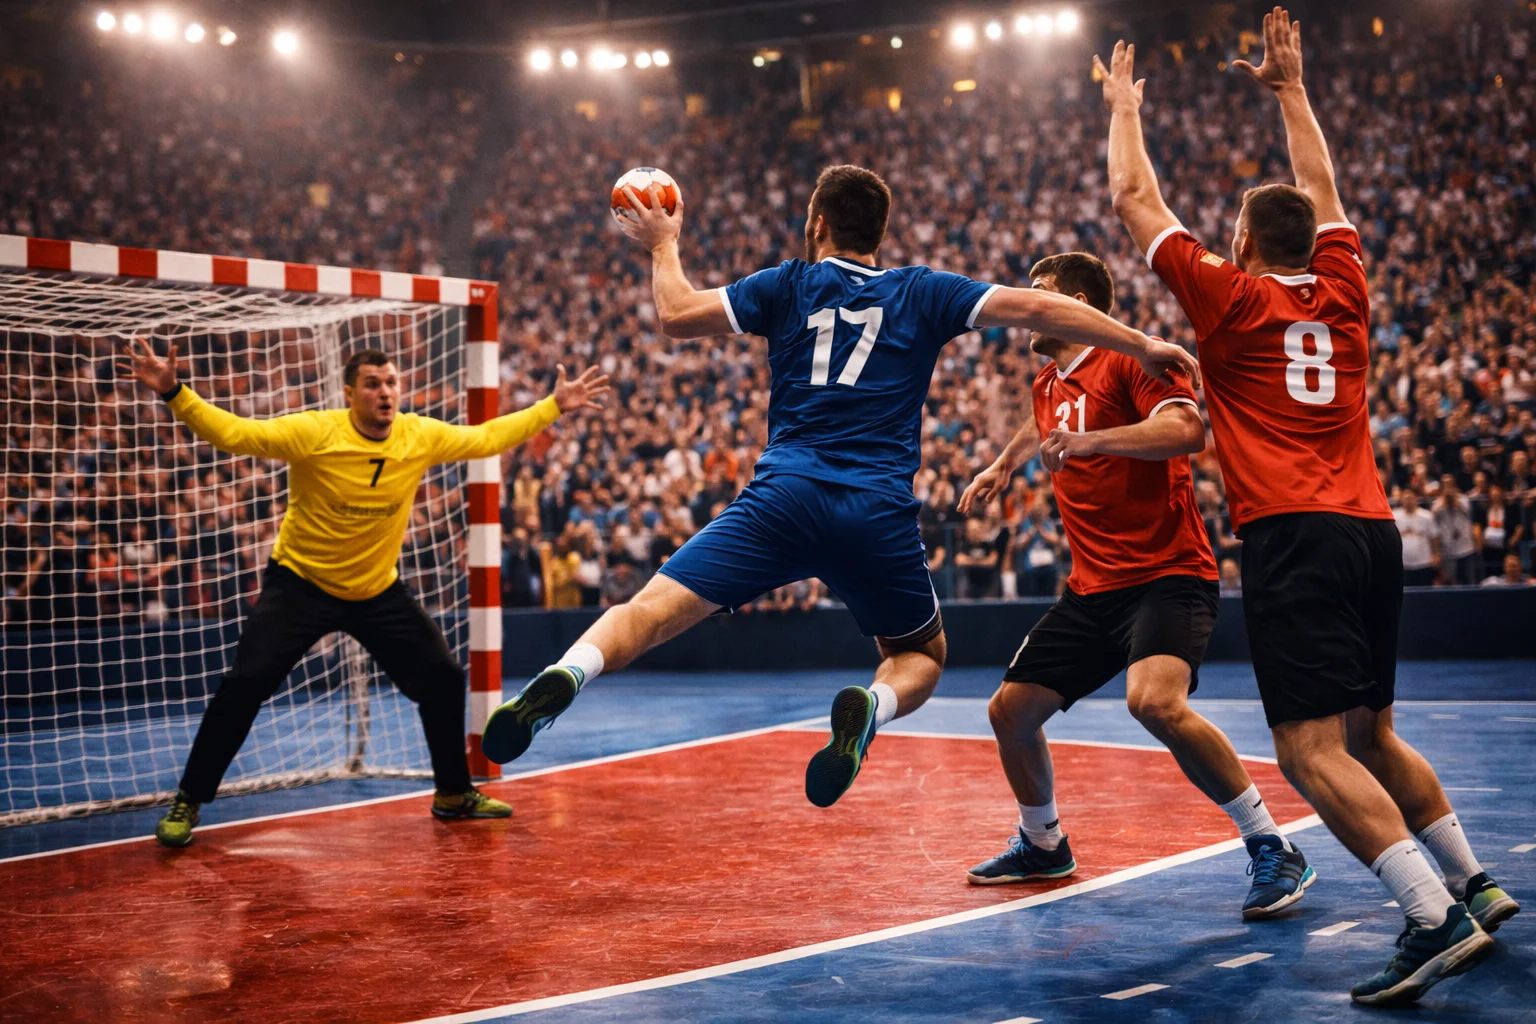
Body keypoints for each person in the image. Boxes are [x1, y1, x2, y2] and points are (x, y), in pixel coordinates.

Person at [482, 163, 1199, 808]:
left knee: (648, 608)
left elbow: (674, 314)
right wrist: (1141, 342)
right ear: (878, 232)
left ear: (817, 224)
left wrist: (664, 244)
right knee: (920, 656)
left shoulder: (785, 283)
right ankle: (871, 706)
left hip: (783, 496)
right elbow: (1039, 309)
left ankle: (569, 672)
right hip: (875, 510)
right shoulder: (922, 290)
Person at [1098, 10, 1514, 1004]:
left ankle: (1430, 916)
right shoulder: (1345, 285)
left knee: (1309, 749)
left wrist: (1123, 110)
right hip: (1373, 531)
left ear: (1243, 242)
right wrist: (1291, 92)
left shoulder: (1232, 299)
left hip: (1294, 535)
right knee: (1372, 733)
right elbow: (1323, 187)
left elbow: (1133, 198)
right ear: (1314, 243)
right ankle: (1474, 881)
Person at [119, 341, 608, 847]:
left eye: (391, 382)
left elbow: (485, 438)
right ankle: (189, 799)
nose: (385, 392)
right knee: (245, 683)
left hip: (376, 589)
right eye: (373, 384)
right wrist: (175, 392)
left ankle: (453, 793)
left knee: (441, 677)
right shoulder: (315, 432)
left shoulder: (417, 434)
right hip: (301, 584)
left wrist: (553, 406)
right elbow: (236, 434)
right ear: (349, 393)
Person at [959, 252, 1312, 918]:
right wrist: (1003, 465)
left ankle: (1272, 844)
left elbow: (1187, 429)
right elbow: (1045, 419)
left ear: (1079, 304)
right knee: (1010, 711)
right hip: (1092, 588)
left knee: (1154, 702)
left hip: (1168, 575)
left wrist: (1094, 442)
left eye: (1041, 291)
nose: (1028, 305)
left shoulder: (1135, 360)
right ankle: (1044, 844)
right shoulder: (1048, 381)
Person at [1395, 490, 1439, 588]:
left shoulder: (1427, 516)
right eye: (1406, 499)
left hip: (1424, 562)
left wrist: (1436, 554)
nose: (1408, 501)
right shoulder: (1395, 516)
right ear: (1401, 500)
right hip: (1403, 563)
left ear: (1415, 499)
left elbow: (1434, 536)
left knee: (1425, 590)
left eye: (1410, 498)